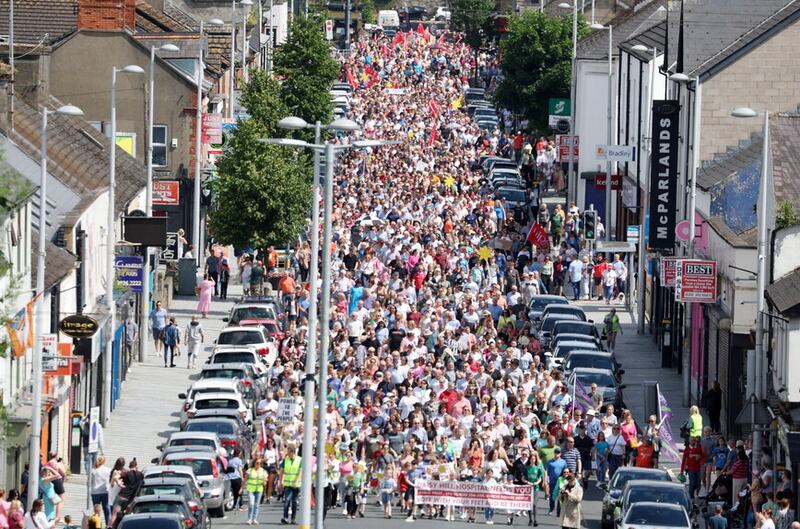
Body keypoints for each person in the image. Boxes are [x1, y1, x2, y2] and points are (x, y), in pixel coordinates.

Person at [279, 442, 302, 525]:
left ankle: (293, 518)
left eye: (288, 451)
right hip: (287, 484)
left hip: (296, 485)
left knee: (294, 502)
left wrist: (296, 480)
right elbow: (281, 471)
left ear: (292, 451)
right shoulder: (286, 460)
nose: (287, 453)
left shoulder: (299, 460)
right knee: (287, 500)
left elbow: (300, 472)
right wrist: (281, 481)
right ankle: (285, 517)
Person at [89, 455, 111, 525]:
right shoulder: (108, 470)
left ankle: (97, 523)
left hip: (95, 492)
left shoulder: (93, 470)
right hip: (105, 491)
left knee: (96, 510)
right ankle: (108, 524)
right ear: (104, 461)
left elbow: (90, 482)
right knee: (106, 509)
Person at [245, 458, 267, 525]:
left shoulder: (263, 471)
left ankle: (254, 519)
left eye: (260, 463)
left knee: (256, 505)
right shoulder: (250, 470)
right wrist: (241, 488)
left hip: (259, 490)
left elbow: (265, 482)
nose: (258, 464)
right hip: (251, 489)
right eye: (257, 463)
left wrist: (264, 482)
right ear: (254, 463)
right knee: (251, 504)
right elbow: (245, 479)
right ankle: (249, 519)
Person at [681, 436, 704, 500]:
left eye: (693, 440)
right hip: (691, 468)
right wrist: (682, 471)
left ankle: (693, 493)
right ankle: (691, 496)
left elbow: (702, 456)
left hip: (698, 468)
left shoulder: (698, 448)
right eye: (691, 440)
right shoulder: (687, 449)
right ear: (689, 441)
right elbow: (684, 460)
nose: (692, 441)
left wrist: (698, 456)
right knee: (692, 482)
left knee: (698, 483)